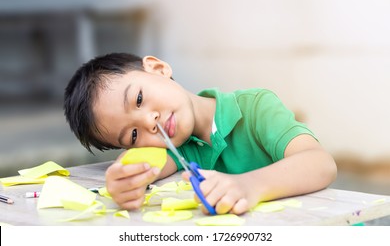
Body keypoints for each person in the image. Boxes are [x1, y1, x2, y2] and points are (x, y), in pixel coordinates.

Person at [64, 52, 337, 215]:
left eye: (138, 99)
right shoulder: (175, 150)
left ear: (159, 69)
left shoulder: (255, 107)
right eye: (133, 135)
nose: (150, 121)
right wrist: (123, 181)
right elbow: (138, 166)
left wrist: (248, 186)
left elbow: (320, 164)